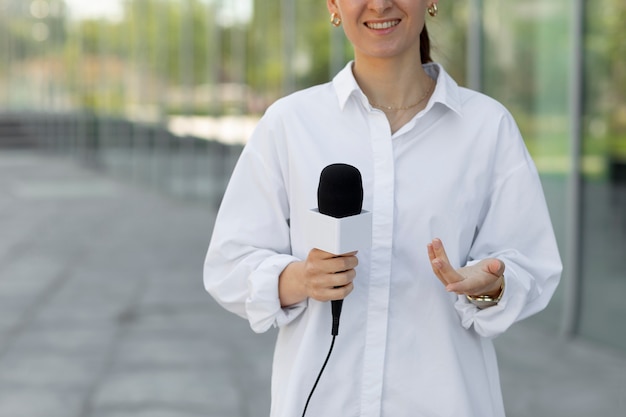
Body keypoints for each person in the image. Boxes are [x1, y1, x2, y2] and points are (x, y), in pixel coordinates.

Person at [204, 1, 562, 416]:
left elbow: (531, 267)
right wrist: (301, 278)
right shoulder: (289, 124)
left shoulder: (487, 126)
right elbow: (228, 265)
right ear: (334, 5)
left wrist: (489, 287)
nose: (380, 4)